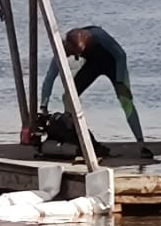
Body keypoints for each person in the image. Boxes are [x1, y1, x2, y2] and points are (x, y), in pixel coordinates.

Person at [39, 25, 150, 155]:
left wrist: (120, 82)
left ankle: (141, 144)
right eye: (74, 54)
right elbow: (50, 77)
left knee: (125, 100)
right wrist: (44, 106)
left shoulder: (99, 36)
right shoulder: (64, 47)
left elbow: (121, 55)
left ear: (86, 42)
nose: (76, 56)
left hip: (113, 63)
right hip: (94, 64)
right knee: (68, 96)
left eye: (79, 53)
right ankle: (72, 135)